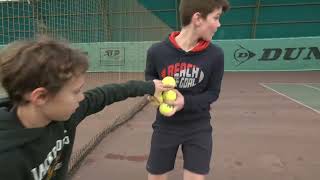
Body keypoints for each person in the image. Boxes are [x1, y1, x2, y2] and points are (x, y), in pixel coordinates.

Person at [0, 37, 173, 180]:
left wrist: (149, 87)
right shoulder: (8, 160)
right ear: (40, 97)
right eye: (75, 91)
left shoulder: (64, 116)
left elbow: (106, 94)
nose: (82, 97)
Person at [144, 0, 229, 179]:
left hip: (198, 127)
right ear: (197, 18)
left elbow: (213, 93)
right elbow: (150, 80)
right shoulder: (156, 52)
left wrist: (185, 102)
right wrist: (151, 93)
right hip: (165, 126)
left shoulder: (216, 55)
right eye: (216, 18)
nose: (219, 24)